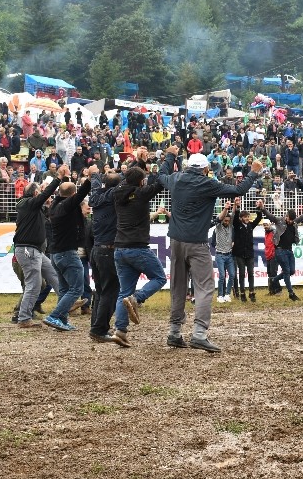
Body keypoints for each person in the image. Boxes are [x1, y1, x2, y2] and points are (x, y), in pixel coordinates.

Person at [160, 148, 262, 353]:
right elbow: (238, 190)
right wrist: (253, 172)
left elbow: (161, 175)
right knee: (205, 286)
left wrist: (170, 155)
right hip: (197, 242)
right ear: (206, 169)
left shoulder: (176, 179)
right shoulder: (207, 183)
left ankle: (174, 332)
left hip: (176, 241)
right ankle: (199, 334)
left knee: (178, 286)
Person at [111, 165, 166, 348]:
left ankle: (120, 331)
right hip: (137, 247)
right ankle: (138, 298)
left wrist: (140, 166)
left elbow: (129, 180)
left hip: (119, 248)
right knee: (159, 277)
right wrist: (169, 159)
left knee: (123, 292)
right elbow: (159, 183)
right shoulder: (141, 194)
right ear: (141, 182)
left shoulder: (117, 193)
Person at [43, 168, 95, 332]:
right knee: (77, 289)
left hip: (56, 254)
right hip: (68, 253)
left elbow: (69, 195)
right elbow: (80, 195)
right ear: (72, 196)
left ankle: (62, 320)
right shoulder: (66, 206)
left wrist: (63, 178)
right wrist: (89, 178)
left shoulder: (55, 206)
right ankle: (55, 315)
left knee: (65, 289)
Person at [12, 169, 64, 328]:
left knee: (53, 274)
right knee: (34, 284)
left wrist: (51, 203)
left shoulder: (33, 208)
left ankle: (67, 302)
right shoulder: (26, 203)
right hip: (28, 250)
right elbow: (43, 196)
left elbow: (49, 210)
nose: (43, 196)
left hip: (35, 251)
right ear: (35, 194)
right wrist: (58, 179)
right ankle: (23, 318)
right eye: (40, 193)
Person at [88, 169, 124, 345]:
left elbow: (95, 185)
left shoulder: (96, 197)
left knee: (101, 290)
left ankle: (96, 326)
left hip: (96, 249)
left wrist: (95, 174)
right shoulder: (114, 197)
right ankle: (99, 329)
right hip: (109, 250)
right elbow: (126, 181)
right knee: (110, 291)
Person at [259, 204, 303, 301]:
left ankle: (274, 279)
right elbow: (270, 216)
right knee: (286, 271)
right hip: (280, 250)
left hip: (289, 250)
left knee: (291, 271)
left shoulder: (294, 223)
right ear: (286, 216)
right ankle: (291, 293)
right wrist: (262, 208)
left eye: (292, 220)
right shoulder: (279, 221)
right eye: (289, 219)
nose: (290, 221)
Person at [231, 199, 263, 302]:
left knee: (251, 273)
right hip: (239, 253)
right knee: (241, 273)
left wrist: (259, 208)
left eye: (248, 217)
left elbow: (259, 218)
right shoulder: (237, 225)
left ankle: (252, 292)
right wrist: (237, 206)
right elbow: (235, 217)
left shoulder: (250, 226)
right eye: (245, 217)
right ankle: (242, 293)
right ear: (241, 218)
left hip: (249, 254)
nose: (247, 218)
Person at [212, 201, 238, 303]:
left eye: (228, 220)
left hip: (229, 255)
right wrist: (225, 208)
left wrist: (235, 205)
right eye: (225, 221)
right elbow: (220, 218)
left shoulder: (231, 225)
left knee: (232, 274)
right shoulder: (218, 227)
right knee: (222, 276)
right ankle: (220, 295)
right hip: (220, 255)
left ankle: (227, 294)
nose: (227, 222)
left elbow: (234, 213)